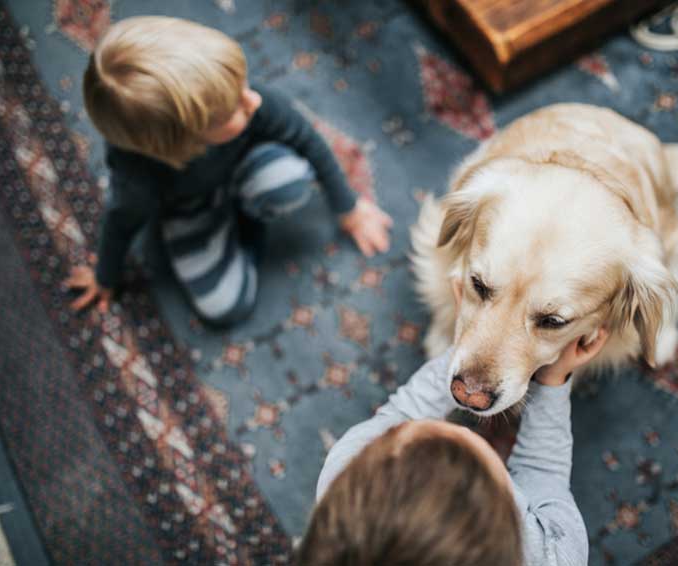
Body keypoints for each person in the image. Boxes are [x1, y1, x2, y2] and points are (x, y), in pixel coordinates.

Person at [65, 16, 392, 325]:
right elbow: (119, 223)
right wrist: (105, 277)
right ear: (184, 142)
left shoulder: (250, 102)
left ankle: (243, 217)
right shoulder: (139, 180)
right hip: (189, 207)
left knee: (291, 180)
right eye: (234, 106)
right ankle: (237, 230)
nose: (253, 101)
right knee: (224, 308)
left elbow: (307, 138)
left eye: (243, 85)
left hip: (246, 164)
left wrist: (349, 208)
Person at [299, 329, 609, 566]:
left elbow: (405, 410)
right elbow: (542, 471)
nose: (453, 424)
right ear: (515, 523)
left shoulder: (346, 472)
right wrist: (554, 379)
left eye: (409, 432)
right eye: (476, 447)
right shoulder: (556, 553)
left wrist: (470, 336)